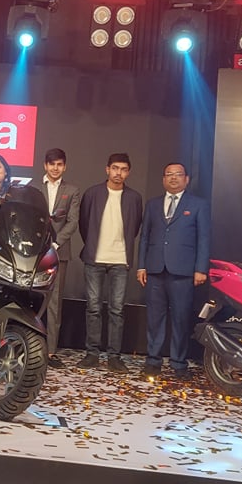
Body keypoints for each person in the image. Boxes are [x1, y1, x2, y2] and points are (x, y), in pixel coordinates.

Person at [137, 162, 211, 378]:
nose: (173, 178)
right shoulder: (152, 204)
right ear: (163, 179)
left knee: (180, 319)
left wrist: (201, 268)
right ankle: (153, 360)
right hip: (155, 269)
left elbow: (204, 238)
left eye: (178, 174)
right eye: (169, 174)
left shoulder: (198, 205)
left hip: (183, 272)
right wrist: (142, 265)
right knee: (154, 318)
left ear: (186, 179)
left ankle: (179, 363)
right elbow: (144, 237)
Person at [77, 152, 143, 373]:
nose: (118, 173)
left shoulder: (134, 198)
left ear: (128, 172)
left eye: (123, 169)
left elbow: (134, 228)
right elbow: (84, 224)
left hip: (120, 261)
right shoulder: (92, 193)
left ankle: (114, 356)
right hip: (94, 258)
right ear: (107, 169)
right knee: (93, 308)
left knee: (117, 310)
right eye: (115, 168)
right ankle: (92, 353)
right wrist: (93, 245)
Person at [34, 148, 81, 369]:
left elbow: (72, 221)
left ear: (65, 167)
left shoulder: (72, 190)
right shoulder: (34, 187)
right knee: (30, 300)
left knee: (54, 304)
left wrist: (55, 243)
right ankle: (28, 346)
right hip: (34, 253)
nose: (55, 168)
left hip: (59, 253)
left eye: (59, 164)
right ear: (45, 165)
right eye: (52, 164)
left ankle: (51, 351)